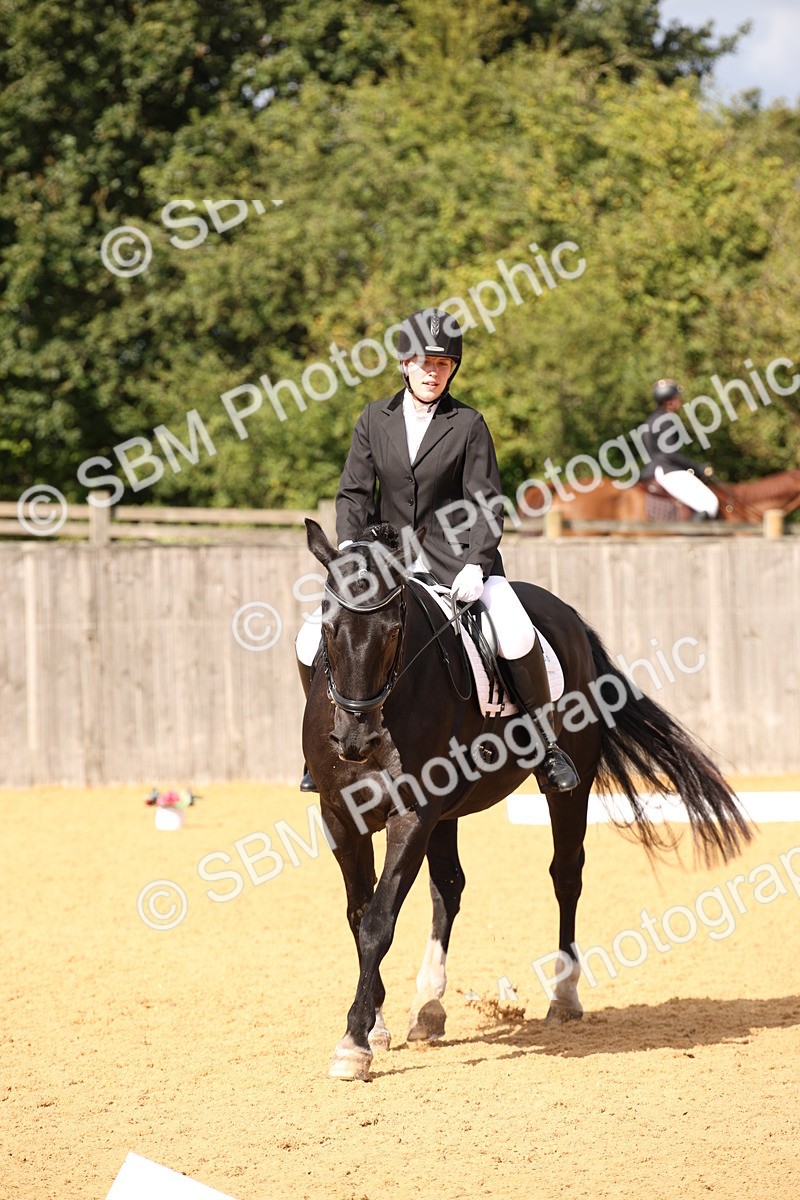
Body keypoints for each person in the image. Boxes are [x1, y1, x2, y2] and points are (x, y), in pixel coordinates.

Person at [296, 307, 579, 794]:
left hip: (458, 565)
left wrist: (476, 563)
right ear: (404, 364)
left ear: (452, 370)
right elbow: (354, 494)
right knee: (308, 639)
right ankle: (320, 749)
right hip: (385, 566)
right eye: (424, 362)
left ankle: (545, 748)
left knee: (513, 635)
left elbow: (487, 503)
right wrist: (349, 551)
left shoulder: (468, 424)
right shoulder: (373, 419)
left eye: (443, 365)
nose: (433, 372)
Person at [641, 379, 719, 519]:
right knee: (710, 503)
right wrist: (698, 468)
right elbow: (670, 453)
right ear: (669, 401)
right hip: (668, 469)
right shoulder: (668, 420)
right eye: (677, 399)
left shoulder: (651, 419)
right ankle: (695, 537)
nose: (680, 402)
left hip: (655, 469)